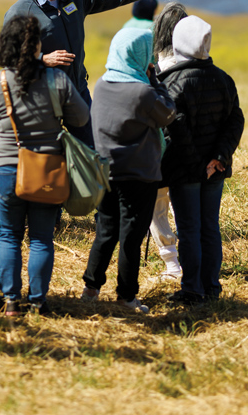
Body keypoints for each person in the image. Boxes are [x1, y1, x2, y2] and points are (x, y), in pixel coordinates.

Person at [0, 16, 90, 317]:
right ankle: (38, 301)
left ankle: (9, 300)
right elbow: (82, 118)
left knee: (9, 234)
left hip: (7, 170)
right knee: (41, 239)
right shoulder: (57, 79)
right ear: (35, 45)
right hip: (48, 170)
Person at [3, 0, 186, 146]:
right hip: (42, 96)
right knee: (49, 154)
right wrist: (42, 60)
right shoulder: (19, 13)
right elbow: (8, 59)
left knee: (93, 148)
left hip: (77, 91)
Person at [81, 28, 176, 310]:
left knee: (105, 231)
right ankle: (126, 296)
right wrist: (155, 79)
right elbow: (168, 113)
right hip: (138, 174)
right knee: (131, 238)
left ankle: (91, 288)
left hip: (105, 171)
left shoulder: (102, 84)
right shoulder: (143, 91)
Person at [158, 16, 244, 305]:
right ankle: (211, 286)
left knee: (189, 229)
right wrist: (219, 157)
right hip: (214, 170)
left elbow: (176, 129)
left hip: (186, 171)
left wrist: (197, 164)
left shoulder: (171, 81)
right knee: (210, 226)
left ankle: (192, 289)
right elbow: (236, 120)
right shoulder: (223, 78)